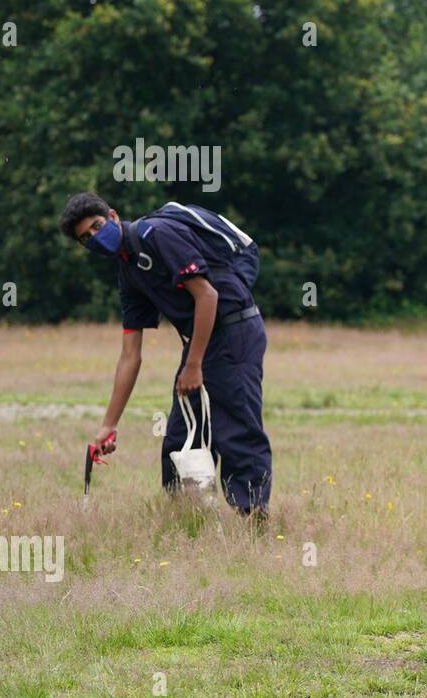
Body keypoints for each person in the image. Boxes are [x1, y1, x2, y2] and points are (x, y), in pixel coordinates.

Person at [59, 193, 272, 516]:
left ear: (113, 216)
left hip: (235, 330)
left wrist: (193, 364)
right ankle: (186, 518)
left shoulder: (156, 234)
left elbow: (207, 295)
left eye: (97, 226)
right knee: (180, 436)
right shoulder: (128, 273)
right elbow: (130, 355)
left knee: (236, 426)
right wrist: (108, 426)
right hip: (201, 342)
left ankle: (254, 516)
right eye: (85, 238)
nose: (94, 238)